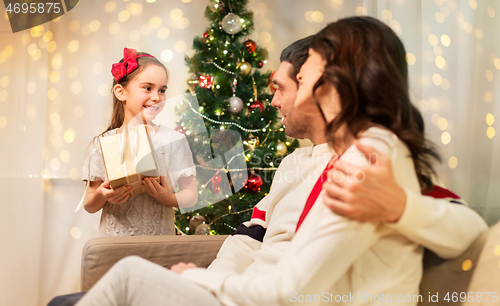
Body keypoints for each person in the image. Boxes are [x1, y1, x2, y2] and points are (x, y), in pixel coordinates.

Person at [49, 19, 486, 306]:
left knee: (123, 279)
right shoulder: (311, 159)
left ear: (335, 79)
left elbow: (289, 288)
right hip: (249, 291)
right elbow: (253, 246)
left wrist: (201, 281)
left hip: (262, 298)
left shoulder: (368, 157)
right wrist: (203, 279)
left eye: (300, 75)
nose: (278, 94)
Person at [81, 48, 197, 236]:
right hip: (115, 245)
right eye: (148, 88)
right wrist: (104, 194)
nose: (156, 97)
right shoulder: (102, 144)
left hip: (159, 246)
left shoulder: (173, 140)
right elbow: (90, 204)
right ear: (120, 92)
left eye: (162, 90)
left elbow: (191, 195)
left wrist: (168, 198)